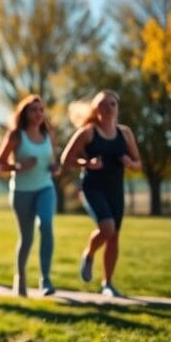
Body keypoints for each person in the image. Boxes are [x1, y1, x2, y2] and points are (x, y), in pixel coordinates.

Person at [60, 90, 142, 298]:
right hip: (92, 188)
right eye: (103, 105)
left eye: (112, 104)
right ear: (95, 109)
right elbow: (66, 159)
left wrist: (130, 163)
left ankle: (108, 284)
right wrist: (87, 163)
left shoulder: (125, 134)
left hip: (115, 190)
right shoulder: (88, 132)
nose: (108, 108)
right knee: (107, 228)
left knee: (114, 237)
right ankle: (89, 253)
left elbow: (138, 164)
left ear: (117, 108)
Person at [0, 95, 60, 297]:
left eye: (41, 110)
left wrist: (55, 167)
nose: (39, 114)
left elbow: (53, 159)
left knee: (46, 224)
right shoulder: (16, 135)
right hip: (22, 191)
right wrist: (19, 166)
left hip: (45, 188)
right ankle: (20, 278)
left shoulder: (48, 133)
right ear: (24, 113)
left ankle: (45, 279)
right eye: (33, 110)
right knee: (27, 238)